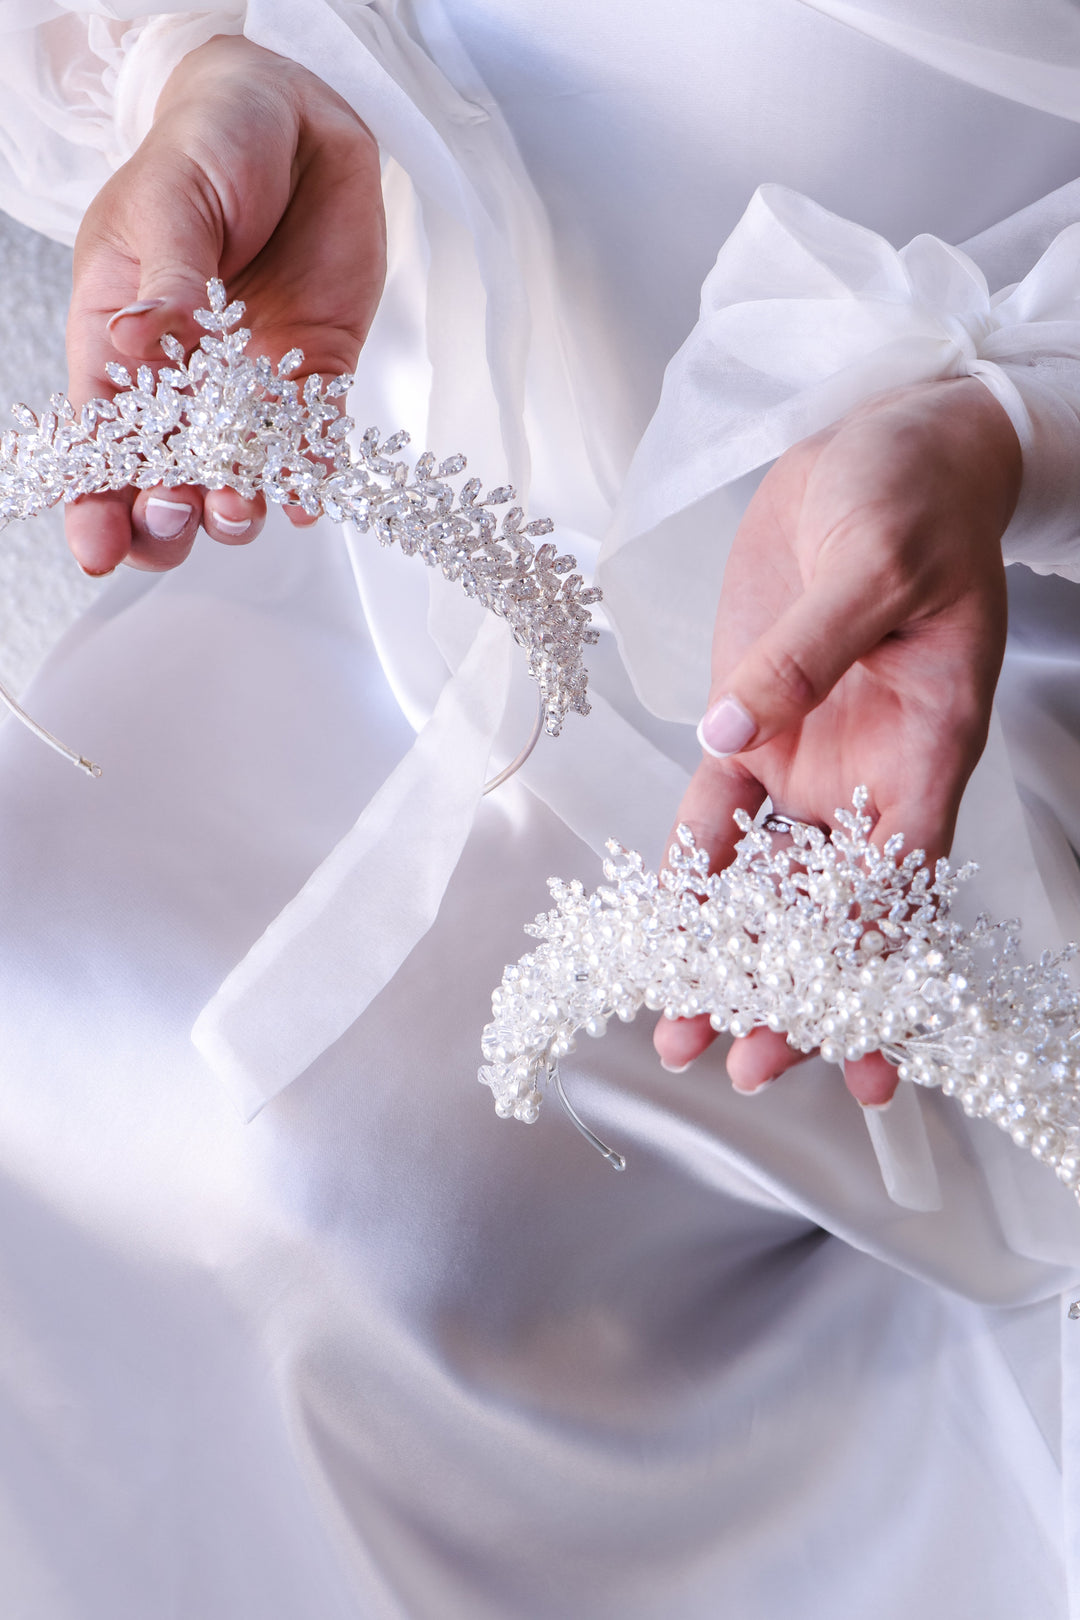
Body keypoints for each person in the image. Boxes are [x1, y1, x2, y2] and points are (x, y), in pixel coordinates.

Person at [0, 4, 1078, 1615]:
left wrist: (1006, 424)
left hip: (893, 611)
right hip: (388, 392)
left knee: (363, 1205)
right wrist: (220, 64)